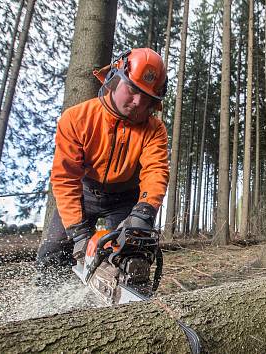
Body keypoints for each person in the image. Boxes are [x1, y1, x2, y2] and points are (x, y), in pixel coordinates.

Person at [36, 48, 169, 280]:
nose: (138, 101)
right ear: (115, 80)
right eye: (133, 90)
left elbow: (155, 171)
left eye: (146, 97)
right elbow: (65, 178)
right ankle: (49, 301)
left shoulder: (154, 129)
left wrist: (145, 210)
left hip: (126, 196)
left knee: (132, 253)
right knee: (53, 251)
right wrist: (78, 233)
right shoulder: (77, 118)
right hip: (83, 193)